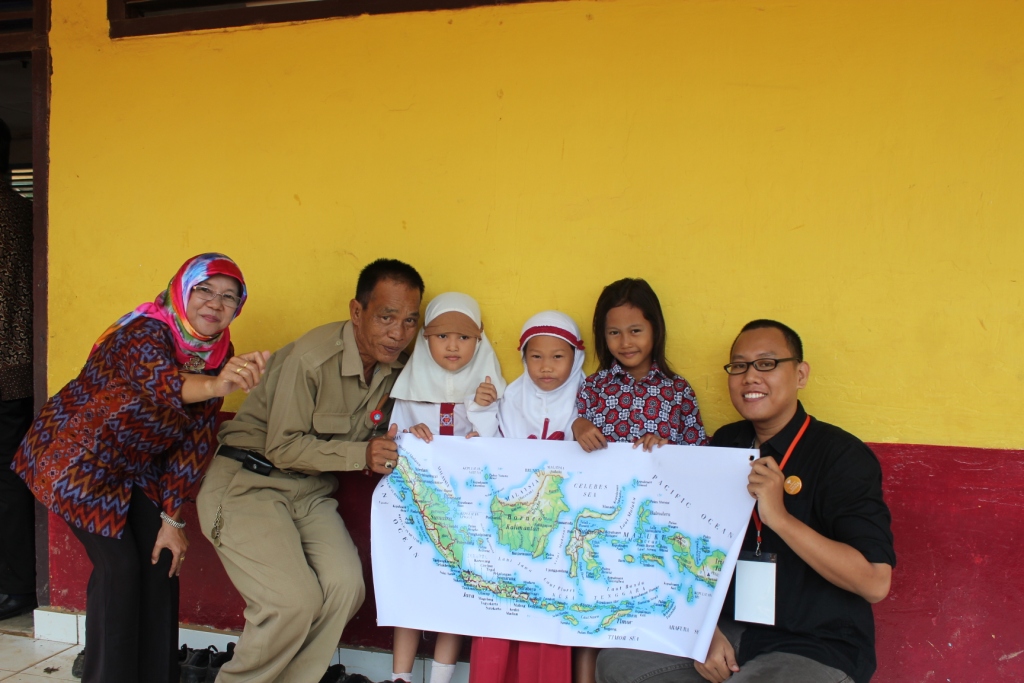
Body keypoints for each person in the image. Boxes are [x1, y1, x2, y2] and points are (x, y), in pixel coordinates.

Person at [13, 253, 268, 683]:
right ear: (182, 291)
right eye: (204, 289)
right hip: (76, 456)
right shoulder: (143, 331)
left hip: (135, 465)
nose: (215, 303)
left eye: (229, 296)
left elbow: (195, 438)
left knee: (161, 562)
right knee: (120, 570)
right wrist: (218, 383)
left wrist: (172, 518)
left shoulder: (218, 354)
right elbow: (161, 382)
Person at [595, 320, 896, 683]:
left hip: (814, 643)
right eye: (739, 366)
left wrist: (779, 517)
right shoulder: (727, 443)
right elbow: (692, 546)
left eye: (766, 364)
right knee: (619, 663)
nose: (750, 377)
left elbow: (875, 583)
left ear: (800, 375)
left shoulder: (841, 455)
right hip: (731, 633)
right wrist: (704, 631)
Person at [196, 258, 424, 683]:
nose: (398, 332)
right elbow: (283, 447)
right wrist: (362, 454)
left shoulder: (400, 368)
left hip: (310, 491)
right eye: (386, 317)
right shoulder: (312, 359)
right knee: (291, 602)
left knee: (345, 588)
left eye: (410, 320)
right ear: (357, 311)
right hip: (249, 482)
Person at [389, 291, 507, 683]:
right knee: (410, 591)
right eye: (442, 336)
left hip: (466, 512)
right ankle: (400, 677)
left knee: (455, 591)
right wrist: (410, 435)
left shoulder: (490, 389)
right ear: (426, 338)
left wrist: (483, 411)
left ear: (479, 338)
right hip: (418, 509)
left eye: (464, 337)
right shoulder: (410, 387)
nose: (453, 346)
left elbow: (495, 448)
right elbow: (393, 439)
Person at [469, 310, 585, 683]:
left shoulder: (588, 400)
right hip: (512, 526)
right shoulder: (511, 397)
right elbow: (491, 451)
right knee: (500, 607)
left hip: (558, 530)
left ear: (576, 357)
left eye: (558, 356)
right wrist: (483, 410)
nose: (546, 366)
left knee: (549, 613)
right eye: (536, 356)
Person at [572, 277, 708, 452]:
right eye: (614, 332)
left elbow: (698, 454)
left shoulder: (679, 390)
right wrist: (577, 425)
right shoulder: (592, 388)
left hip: (662, 471)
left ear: (655, 329)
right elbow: (570, 453)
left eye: (635, 331)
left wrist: (665, 448)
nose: (625, 342)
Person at [0, 117, 37, 621]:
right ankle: (17, 581)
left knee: (7, 487)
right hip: (22, 370)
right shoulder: (25, 212)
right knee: (11, 482)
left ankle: (16, 586)